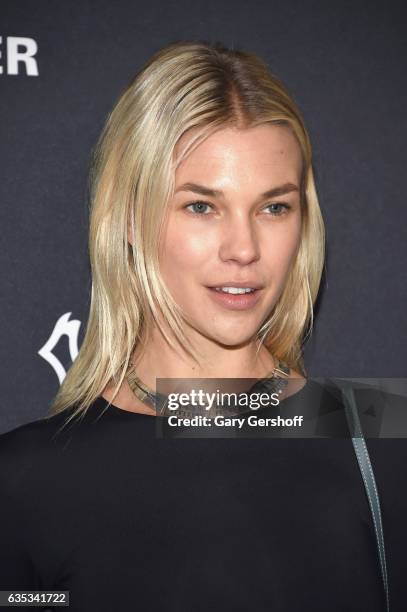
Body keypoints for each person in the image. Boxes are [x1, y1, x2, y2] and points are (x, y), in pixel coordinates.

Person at [0, 40, 405, 612]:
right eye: (201, 206)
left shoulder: (384, 441)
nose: (244, 248)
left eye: (273, 207)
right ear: (130, 218)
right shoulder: (24, 483)